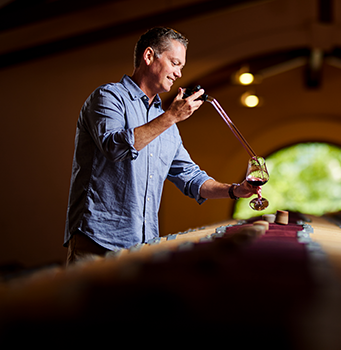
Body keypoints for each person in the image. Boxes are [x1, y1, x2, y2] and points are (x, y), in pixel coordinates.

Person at [64, 27, 258, 265]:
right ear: (148, 56)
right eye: (175, 63)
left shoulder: (165, 120)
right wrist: (171, 117)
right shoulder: (108, 97)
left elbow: (191, 177)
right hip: (97, 243)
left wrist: (234, 190)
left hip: (143, 247)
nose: (178, 73)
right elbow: (114, 147)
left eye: (181, 67)